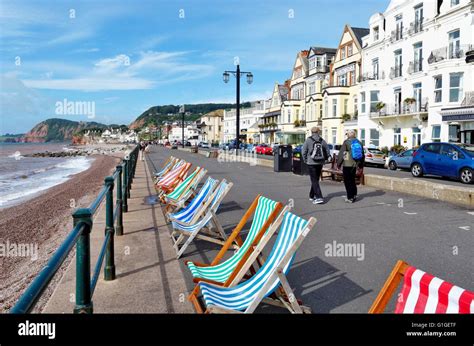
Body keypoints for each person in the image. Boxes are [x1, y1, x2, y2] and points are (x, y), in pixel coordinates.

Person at [302, 127, 330, 205]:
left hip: (311, 163)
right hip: (320, 163)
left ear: (312, 132)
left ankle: (319, 197)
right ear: (318, 132)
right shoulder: (322, 140)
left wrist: (305, 160)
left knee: (314, 180)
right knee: (315, 180)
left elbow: (303, 151)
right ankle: (312, 195)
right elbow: (327, 150)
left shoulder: (308, 140)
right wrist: (326, 159)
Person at [337, 129, 365, 203]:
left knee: (347, 181)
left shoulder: (346, 142)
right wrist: (360, 165)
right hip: (355, 164)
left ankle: (350, 197)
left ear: (349, 135)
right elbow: (362, 155)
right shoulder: (359, 142)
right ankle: (354, 194)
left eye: (347, 134)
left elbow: (342, 154)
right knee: (352, 180)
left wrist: (339, 163)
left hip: (347, 164)